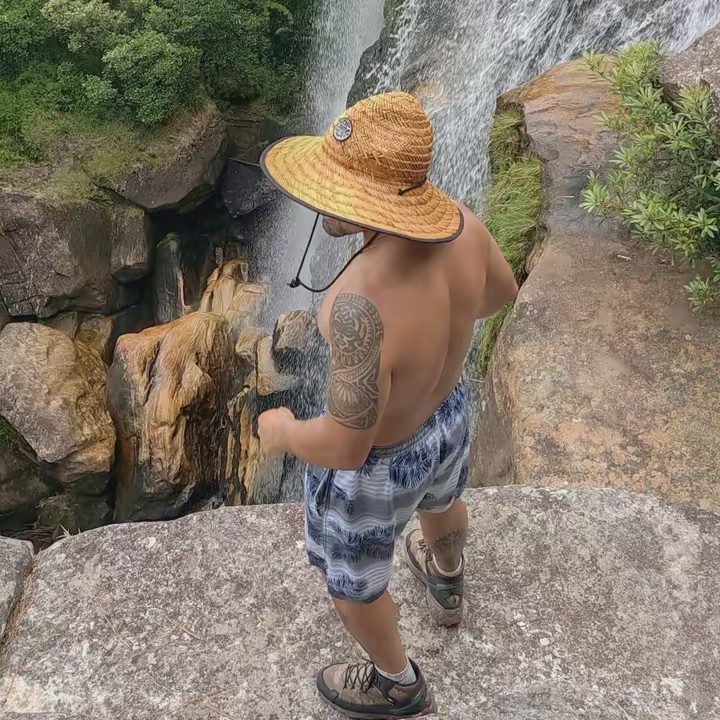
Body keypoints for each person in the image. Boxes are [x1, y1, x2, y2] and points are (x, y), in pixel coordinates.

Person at [257, 91, 518, 718]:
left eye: (336, 185)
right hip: (448, 417)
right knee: (443, 501)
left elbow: (348, 447)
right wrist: (437, 338)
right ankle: (447, 580)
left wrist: (284, 430)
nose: (322, 200)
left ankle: (397, 683)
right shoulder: (463, 225)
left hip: (380, 468)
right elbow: (500, 294)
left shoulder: (355, 306)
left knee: (352, 587)